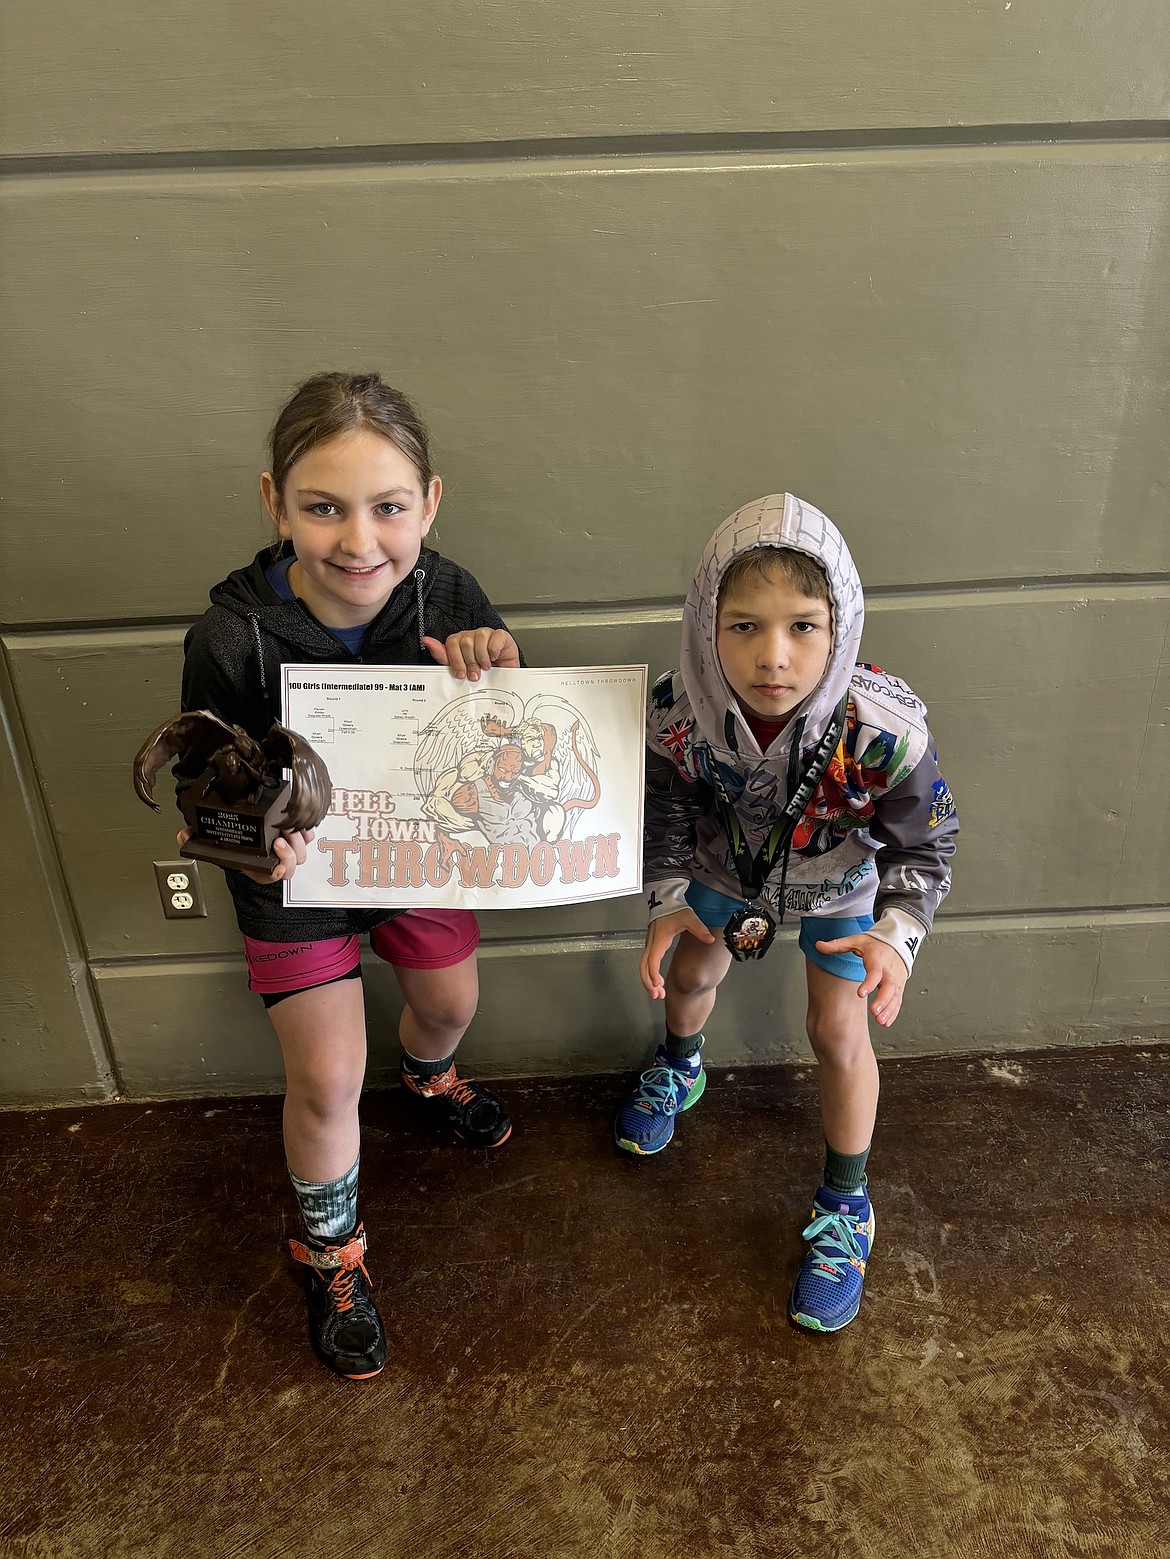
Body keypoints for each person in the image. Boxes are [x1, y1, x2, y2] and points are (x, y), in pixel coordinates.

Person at [176, 371, 522, 1380]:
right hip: (297, 885)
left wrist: (496, 659)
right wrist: (252, 835)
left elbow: (508, 721)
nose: (358, 540)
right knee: (327, 1076)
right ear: (275, 503)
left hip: (416, 856)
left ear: (431, 503)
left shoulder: (447, 589)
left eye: (388, 507)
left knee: (450, 1000)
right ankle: (330, 1253)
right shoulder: (229, 637)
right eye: (323, 507)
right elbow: (203, 789)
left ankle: (426, 1072)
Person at [615, 494, 958, 1333]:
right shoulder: (675, 712)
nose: (774, 657)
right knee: (690, 973)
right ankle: (681, 1062)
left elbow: (926, 845)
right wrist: (664, 900)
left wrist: (896, 936)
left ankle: (847, 1206)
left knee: (838, 1032)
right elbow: (659, 807)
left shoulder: (885, 729)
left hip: (843, 886)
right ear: (706, 623)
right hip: (724, 869)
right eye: (743, 626)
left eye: (804, 625)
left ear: (841, 625)